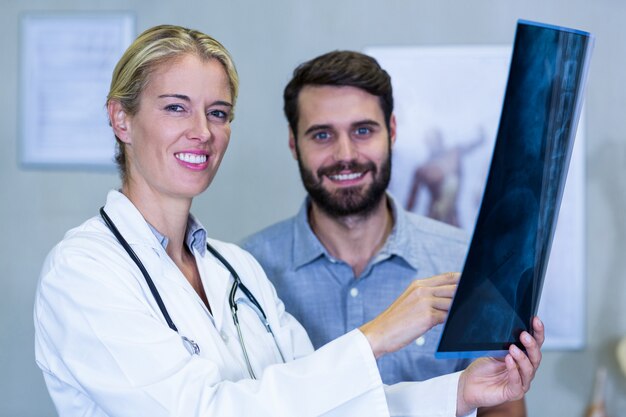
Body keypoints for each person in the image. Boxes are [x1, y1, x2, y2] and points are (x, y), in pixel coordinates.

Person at [34, 25, 543, 417]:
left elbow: (323, 405)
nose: (201, 133)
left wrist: (460, 390)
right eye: (175, 107)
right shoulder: (82, 272)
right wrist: (379, 334)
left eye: (218, 113)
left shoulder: (235, 268)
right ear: (121, 118)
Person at [242, 51, 525, 416]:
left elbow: (502, 407)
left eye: (363, 131)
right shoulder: (247, 273)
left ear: (391, 131)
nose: (345, 155)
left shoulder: (467, 260)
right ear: (294, 144)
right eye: (322, 134)